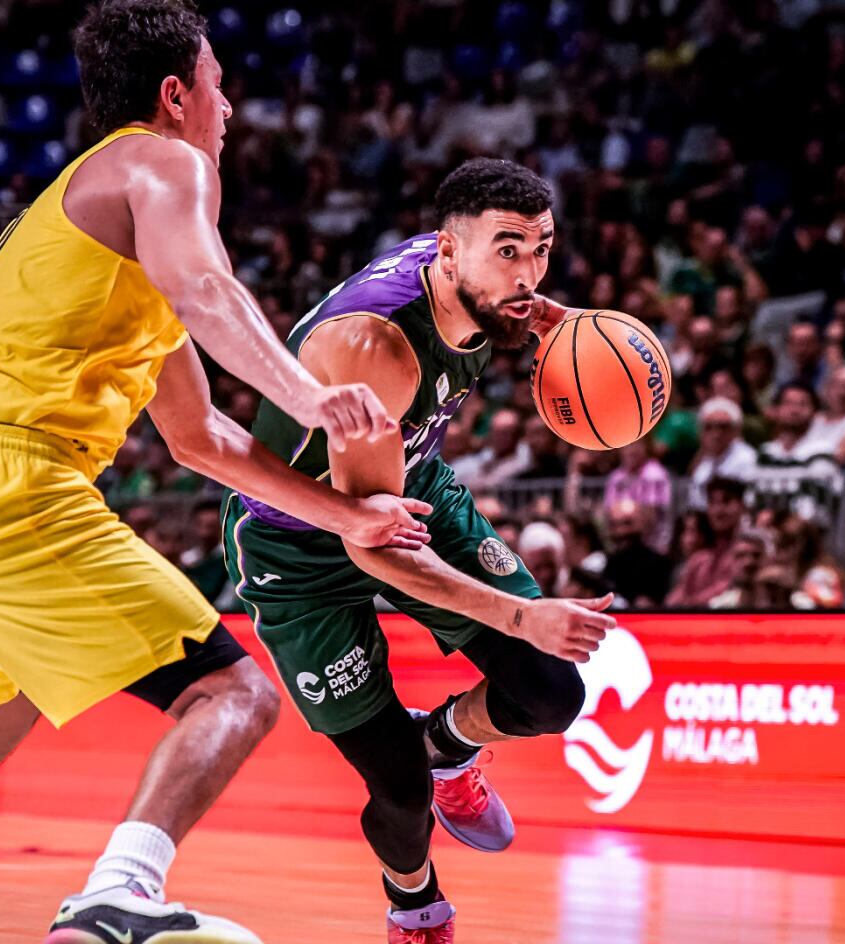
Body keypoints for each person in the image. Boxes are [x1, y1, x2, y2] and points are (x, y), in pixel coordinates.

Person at [0, 5, 429, 943]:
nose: (230, 106)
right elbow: (208, 290)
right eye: (218, 82)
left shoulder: (106, 215)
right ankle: (117, 893)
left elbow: (198, 436)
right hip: (3, 478)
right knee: (236, 694)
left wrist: (341, 518)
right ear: (176, 95)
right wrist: (310, 395)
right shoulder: (163, 162)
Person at [220, 158, 613, 942]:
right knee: (397, 791)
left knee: (551, 696)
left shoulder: (474, 283)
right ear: (447, 249)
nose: (530, 272)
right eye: (509, 251)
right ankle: (416, 908)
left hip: (410, 485)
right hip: (302, 541)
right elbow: (374, 547)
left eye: (541, 249)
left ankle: (449, 747)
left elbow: (396, 508)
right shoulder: (378, 351)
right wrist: (519, 616)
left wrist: (543, 321)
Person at [666, 476, 748, 606]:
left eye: (726, 501)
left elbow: (727, 591)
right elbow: (676, 598)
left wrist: (691, 603)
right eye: (712, 503)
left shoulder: (749, 554)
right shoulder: (699, 559)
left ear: (742, 506)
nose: (718, 510)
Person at [602, 499, 675, 607]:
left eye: (627, 523)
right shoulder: (609, 562)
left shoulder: (658, 563)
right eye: (614, 525)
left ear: (642, 524)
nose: (620, 531)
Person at [687, 397, 757, 506]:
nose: (716, 434)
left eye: (723, 427)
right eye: (709, 427)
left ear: (736, 430)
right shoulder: (703, 464)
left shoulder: (747, 459)